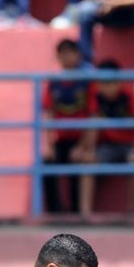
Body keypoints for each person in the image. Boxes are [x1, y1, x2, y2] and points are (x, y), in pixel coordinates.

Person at [78, 59, 134, 215]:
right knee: (88, 163)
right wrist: (88, 150)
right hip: (109, 146)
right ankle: (85, 214)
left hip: (132, 145)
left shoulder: (129, 95)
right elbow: (93, 124)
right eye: (103, 83)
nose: (107, 88)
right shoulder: (95, 96)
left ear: (119, 82)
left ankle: (132, 211)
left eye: (111, 83)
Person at [42, 38, 93, 214]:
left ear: (78, 55)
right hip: (61, 140)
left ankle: (77, 212)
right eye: (62, 54)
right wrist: (49, 146)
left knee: (78, 168)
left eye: (70, 53)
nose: (67, 57)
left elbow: (93, 116)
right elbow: (48, 113)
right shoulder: (54, 82)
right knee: (47, 164)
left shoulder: (87, 82)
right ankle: (54, 212)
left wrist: (83, 146)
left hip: (81, 141)